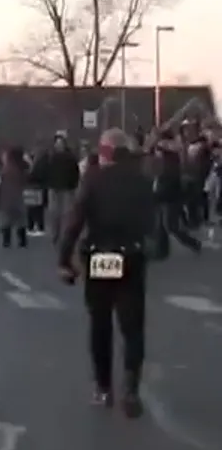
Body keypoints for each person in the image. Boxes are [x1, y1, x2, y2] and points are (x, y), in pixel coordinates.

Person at [57, 129, 155, 417]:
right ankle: (131, 387)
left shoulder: (94, 179)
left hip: (100, 254)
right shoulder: (142, 181)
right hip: (132, 254)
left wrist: (64, 259)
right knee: (133, 326)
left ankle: (103, 388)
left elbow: (75, 220)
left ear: (106, 151)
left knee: (100, 323)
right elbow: (152, 222)